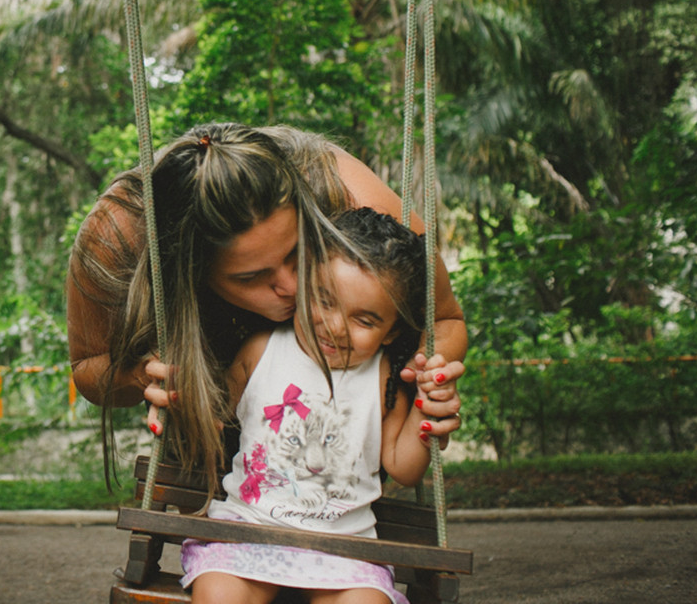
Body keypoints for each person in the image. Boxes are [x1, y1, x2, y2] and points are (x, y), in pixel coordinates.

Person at [65, 123, 464, 480]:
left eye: (296, 253)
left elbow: (445, 319)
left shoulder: (354, 201)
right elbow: (88, 370)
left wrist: (428, 385)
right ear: (192, 273)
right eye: (251, 277)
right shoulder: (119, 235)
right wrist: (148, 374)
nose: (290, 287)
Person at [180, 206, 449, 604]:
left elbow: (404, 468)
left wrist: (428, 409)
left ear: (392, 331)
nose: (335, 326)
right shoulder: (260, 351)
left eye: (364, 320)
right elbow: (212, 419)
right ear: (304, 284)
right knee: (219, 594)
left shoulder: (383, 379)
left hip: (344, 548)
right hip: (249, 530)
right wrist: (185, 402)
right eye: (324, 300)